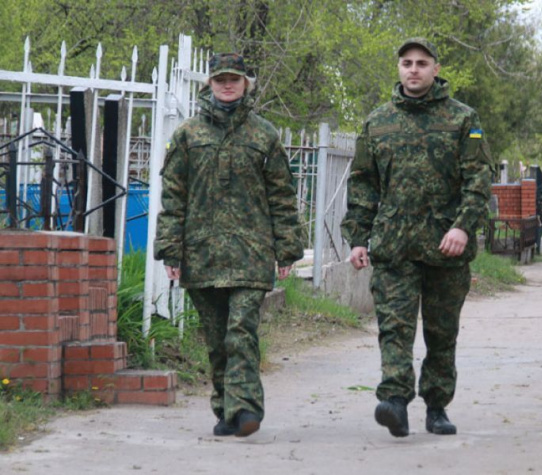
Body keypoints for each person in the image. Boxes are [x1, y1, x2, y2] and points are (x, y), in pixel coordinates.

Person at [341, 38, 492, 438]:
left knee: (441, 333)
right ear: (398, 68)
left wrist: (462, 226)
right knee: (394, 328)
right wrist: (358, 238)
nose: (413, 69)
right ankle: (394, 402)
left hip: (447, 248)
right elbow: (362, 185)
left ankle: (437, 405)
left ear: (435, 69)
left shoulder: (463, 120)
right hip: (394, 247)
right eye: (406, 62)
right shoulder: (378, 122)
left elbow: (478, 180)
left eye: (421, 63)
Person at [154, 53, 304, 438]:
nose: (227, 85)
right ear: (210, 83)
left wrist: (287, 248)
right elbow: (173, 196)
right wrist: (171, 250)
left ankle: (247, 410)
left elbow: (282, 196)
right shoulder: (187, 135)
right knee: (218, 339)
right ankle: (225, 409)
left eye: (234, 79)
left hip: (251, 253)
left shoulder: (264, 135)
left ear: (246, 84)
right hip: (202, 254)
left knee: (241, 332)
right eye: (220, 78)